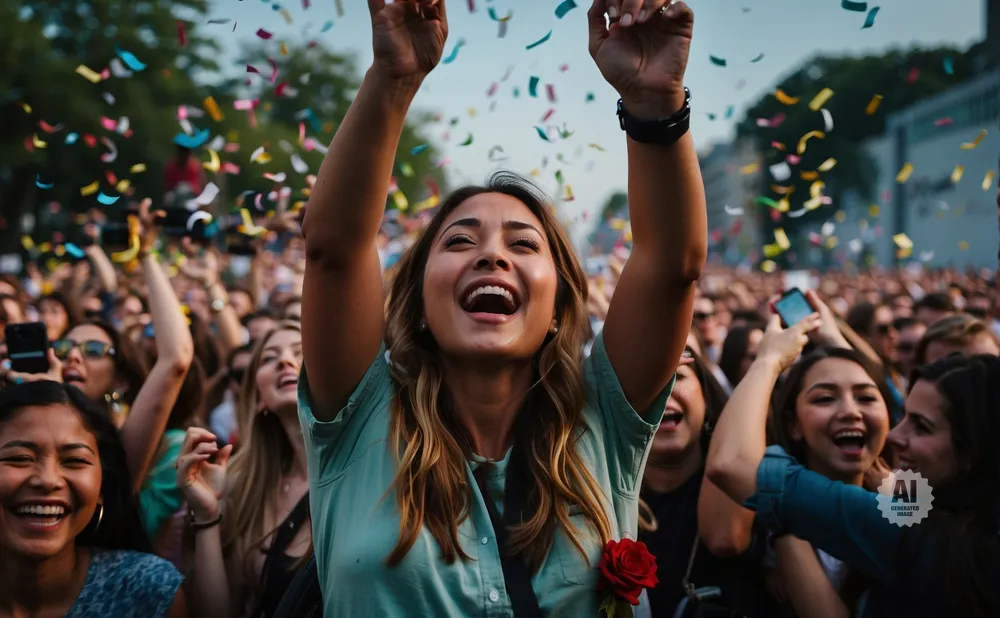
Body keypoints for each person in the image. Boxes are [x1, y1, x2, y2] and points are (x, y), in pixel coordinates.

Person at [298, 0, 705, 615]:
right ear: (414, 296)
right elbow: (333, 250)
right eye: (459, 241)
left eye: (523, 244)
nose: (492, 257)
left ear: (560, 301)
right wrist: (395, 77)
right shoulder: (361, 420)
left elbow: (672, 269)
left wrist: (655, 102)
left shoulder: (604, 424)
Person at [706, 320, 1000, 616]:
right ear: (792, 423)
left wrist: (768, 360)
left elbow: (733, 463)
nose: (895, 436)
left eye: (921, 427)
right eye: (825, 398)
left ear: (972, 454)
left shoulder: (921, 532)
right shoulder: (916, 501)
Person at [0, 381, 186, 617]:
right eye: (20, 458)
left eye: (74, 460)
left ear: (101, 487)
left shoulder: (149, 592)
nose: (48, 480)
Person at [177, 322, 312, 618]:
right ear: (259, 399)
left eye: (301, 352)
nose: (285, 361)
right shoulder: (246, 486)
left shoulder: (371, 464)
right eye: (269, 358)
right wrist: (207, 516)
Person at [638, 347, 779, 617]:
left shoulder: (740, 482)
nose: (663, 391)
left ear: (705, 393)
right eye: (647, 379)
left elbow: (727, 538)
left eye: (677, 377)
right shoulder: (603, 493)